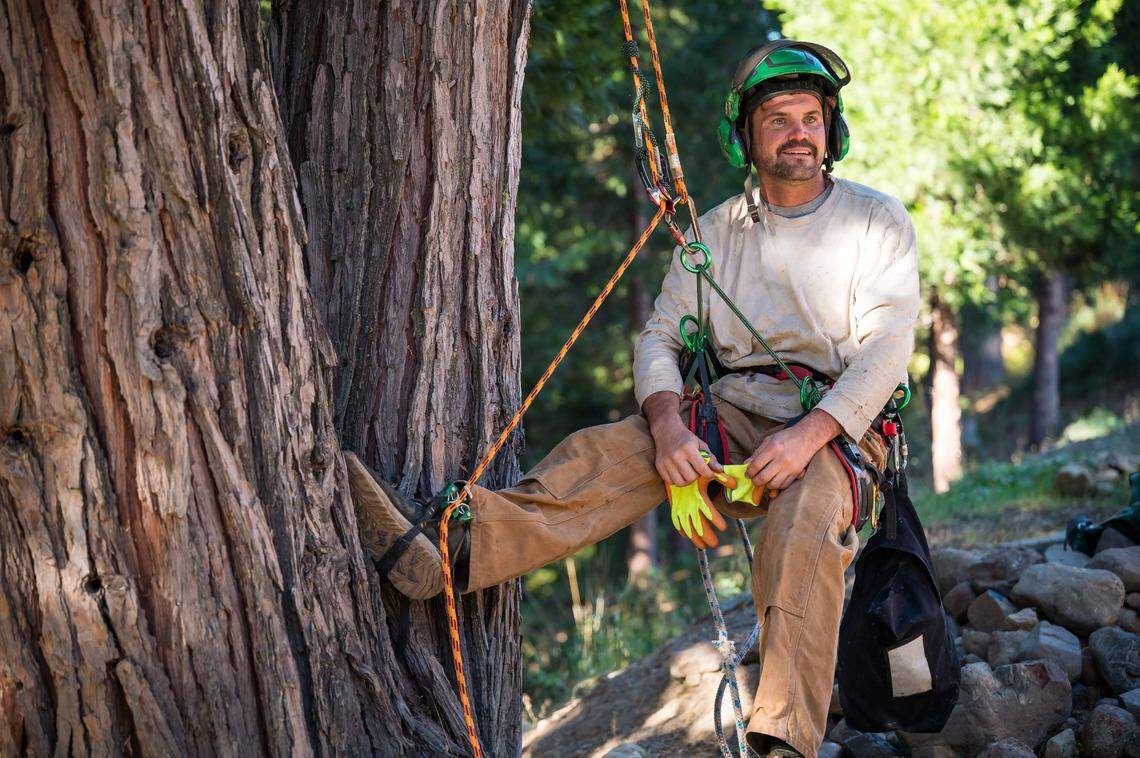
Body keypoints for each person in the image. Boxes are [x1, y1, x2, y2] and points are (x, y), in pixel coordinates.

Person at [348, 39, 920, 758]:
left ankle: (782, 740)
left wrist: (807, 437)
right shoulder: (713, 234)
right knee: (607, 453)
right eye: (778, 118)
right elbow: (660, 340)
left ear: (831, 131)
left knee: (802, 530)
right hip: (735, 416)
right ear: (746, 135)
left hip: (838, 433)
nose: (798, 131)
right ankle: (449, 552)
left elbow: (885, 351)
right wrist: (668, 428)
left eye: (811, 116)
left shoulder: (877, 221)